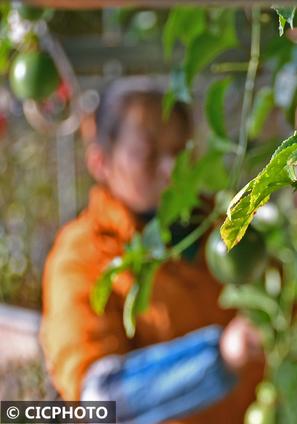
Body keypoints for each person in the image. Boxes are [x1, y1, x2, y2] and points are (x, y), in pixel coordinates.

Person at [39, 77, 265, 423]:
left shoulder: (225, 227)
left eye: (179, 152)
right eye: (148, 154)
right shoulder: (82, 255)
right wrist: (217, 357)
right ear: (100, 162)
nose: (171, 169)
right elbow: (99, 399)